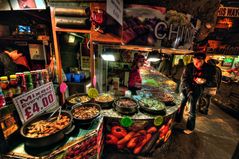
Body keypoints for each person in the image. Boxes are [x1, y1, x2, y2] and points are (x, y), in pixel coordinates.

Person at [176, 52, 217, 134]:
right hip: (185, 88)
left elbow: (213, 81)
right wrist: (189, 89)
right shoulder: (189, 66)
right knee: (182, 103)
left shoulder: (210, 69)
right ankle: (178, 119)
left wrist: (205, 81)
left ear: (203, 61)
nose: (196, 64)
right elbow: (184, 79)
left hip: (197, 89)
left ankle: (190, 128)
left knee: (192, 108)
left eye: (198, 62)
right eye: (195, 61)